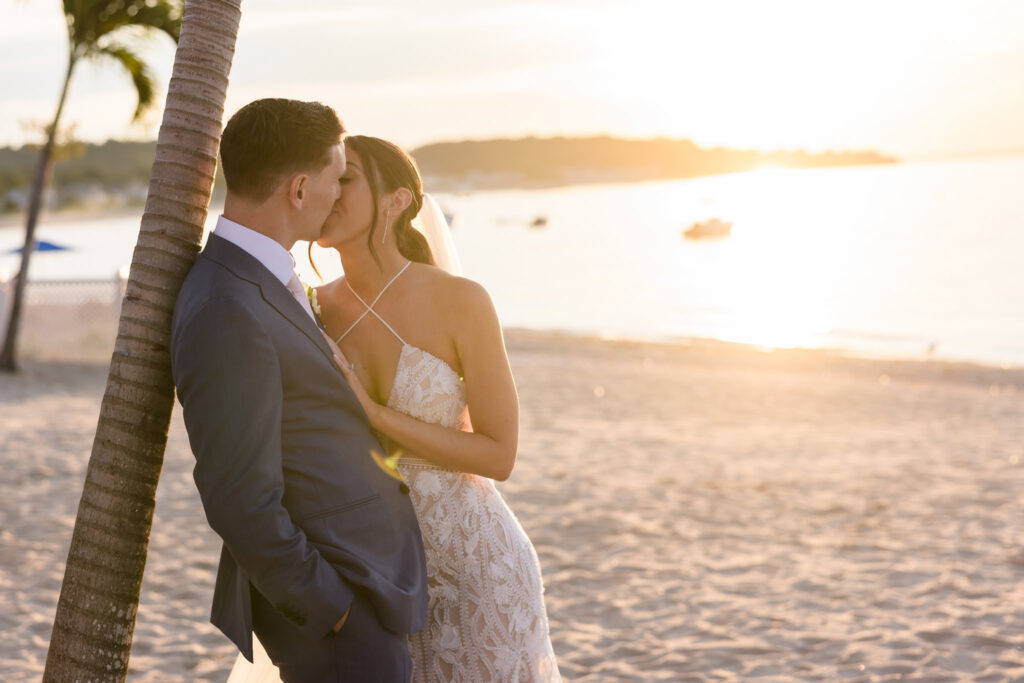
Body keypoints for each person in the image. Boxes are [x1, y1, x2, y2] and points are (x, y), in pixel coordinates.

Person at [171, 101, 427, 682]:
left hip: (364, 588)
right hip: (336, 617)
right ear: (300, 188)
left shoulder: (261, 278)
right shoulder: (226, 305)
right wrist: (335, 612)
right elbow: (238, 498)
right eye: (338, 179)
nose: (340, 194)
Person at [316, 136, 561, 682]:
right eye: (325, 177)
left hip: (475, 564)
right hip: (371, 572)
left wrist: (378, 417)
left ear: (397, 200)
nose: (330, 191)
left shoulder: (462, 300)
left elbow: (500, 454)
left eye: (347, 178)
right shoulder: (312, 307)